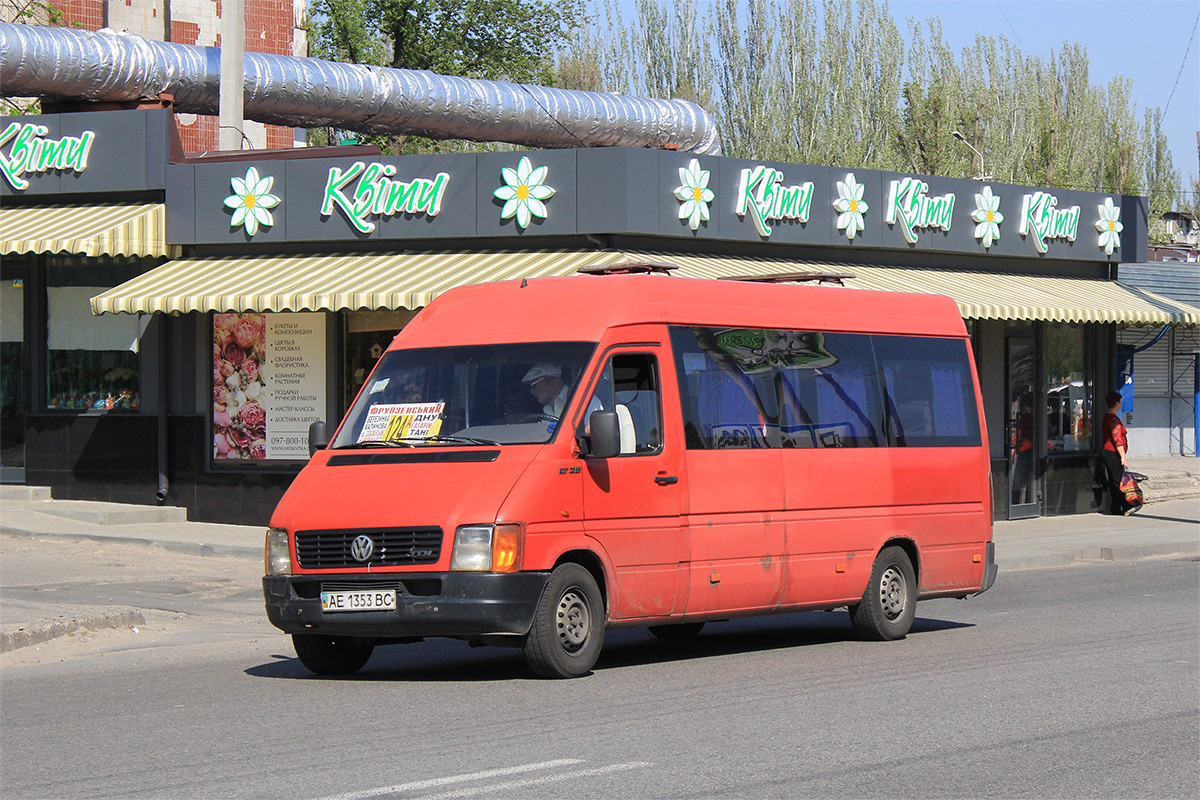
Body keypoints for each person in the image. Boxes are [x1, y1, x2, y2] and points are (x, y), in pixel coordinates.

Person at [1099, 390, 1136, 515]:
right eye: (1119, 402)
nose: (1120, 404)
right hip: (1112, 452)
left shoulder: (1107, 417)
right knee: (1117, 481)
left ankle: (1112, 508)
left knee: (1113, 480)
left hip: (1107, 451)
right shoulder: (1113, 420)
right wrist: (1123, 457)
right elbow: (1117, 440)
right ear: (1116, 403)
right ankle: (1126, 505)